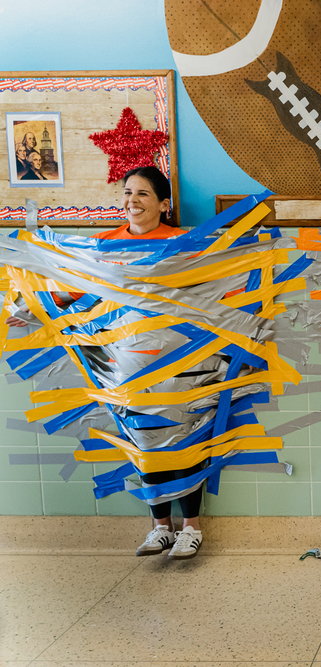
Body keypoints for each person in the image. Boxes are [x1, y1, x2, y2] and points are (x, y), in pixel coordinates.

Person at [5, 166, 202, 559]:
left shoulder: (184, 244)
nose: (131, 200)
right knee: (140, 437)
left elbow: (212, 292)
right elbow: (69, 287)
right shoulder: (101, 245)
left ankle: (192, 528)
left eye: (143, 194)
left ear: (164, 205)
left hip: (177, 360)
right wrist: (30, 309)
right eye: (127, 193)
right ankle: (160, 527)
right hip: (119, 362)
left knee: (183, 437)